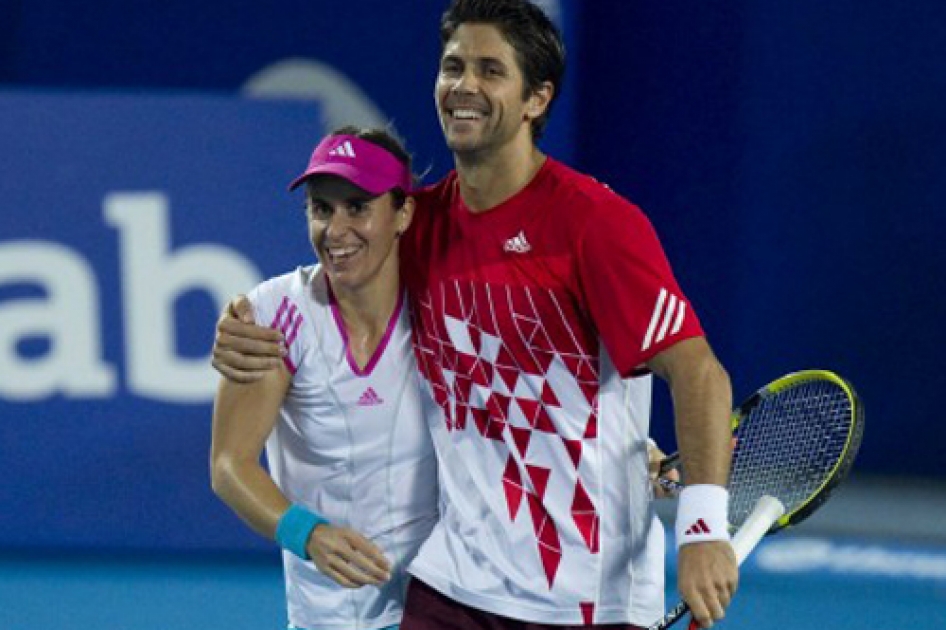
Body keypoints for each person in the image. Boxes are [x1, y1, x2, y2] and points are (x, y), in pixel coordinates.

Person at [213, 1, 736, 628]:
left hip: (581, 593)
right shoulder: (421, 222)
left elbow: (699, 372)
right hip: (455, 581)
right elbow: (331, 266)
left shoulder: (595, 225)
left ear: (536, 99)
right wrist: (240, 326)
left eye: (491, 71)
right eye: (452, 66)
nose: (464, 86)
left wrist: (703, 529)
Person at [210, 126, 439, 630]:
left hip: (438, 606)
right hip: (327, 616)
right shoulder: (273, 316)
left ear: (403, 213)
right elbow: (230, 464)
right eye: (321, 208)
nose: (336, 231)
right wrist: (307, 534)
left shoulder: (445, 309)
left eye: (357, 207)